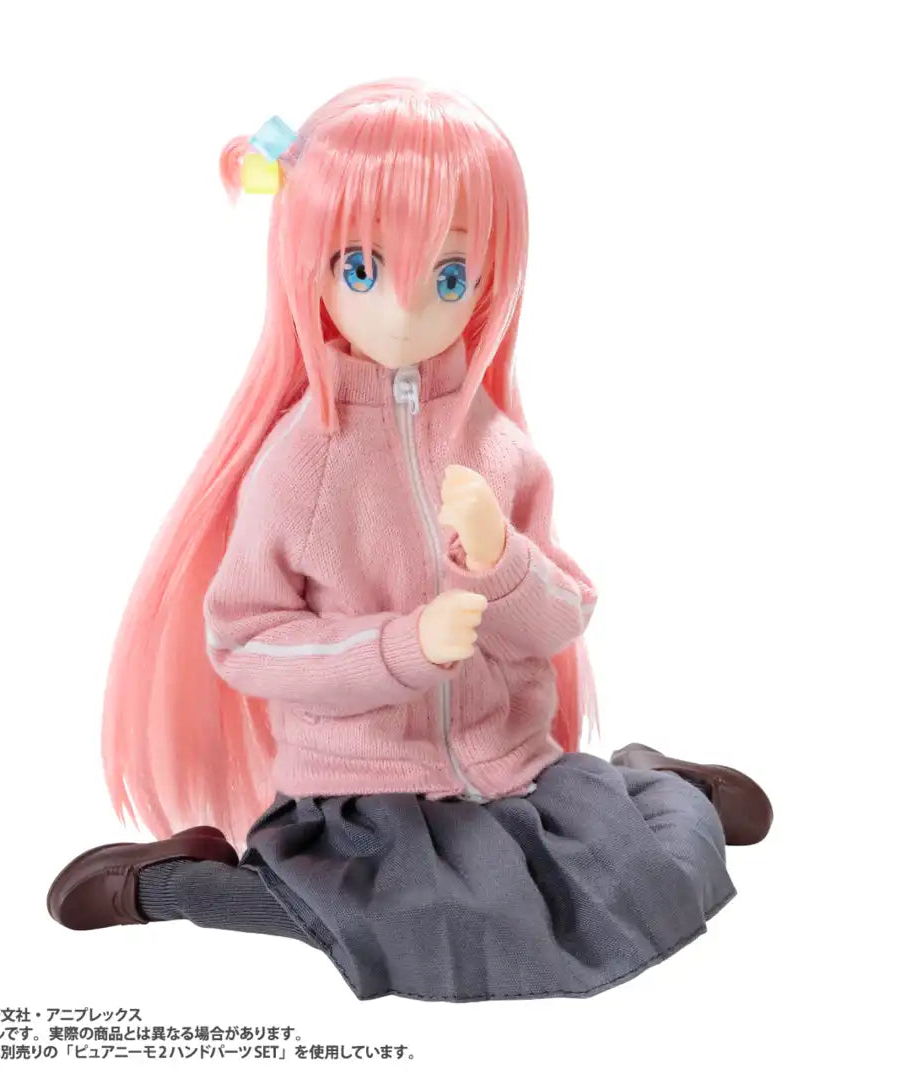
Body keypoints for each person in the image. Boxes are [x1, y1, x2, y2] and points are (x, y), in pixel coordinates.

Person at [47, 78, 772, 1003]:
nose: (405, 312)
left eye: (449, 278)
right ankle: (167, 885)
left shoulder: (495, 443)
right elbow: (244, 641)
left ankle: (654, 786)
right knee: (409, 929)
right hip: (364, 796)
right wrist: (401, 648)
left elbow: (566, 613)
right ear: (309, 266)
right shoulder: (301, 462)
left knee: (653, 883)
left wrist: (502, 563)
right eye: (362, 269)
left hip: (514, 772)